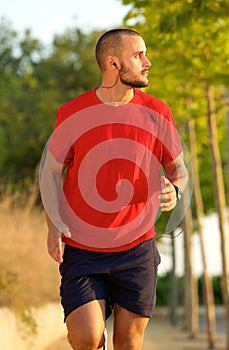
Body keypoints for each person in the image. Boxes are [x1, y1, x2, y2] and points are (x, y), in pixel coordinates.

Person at [40, 28, 188, 350]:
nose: (147, 62)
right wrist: (52, 223)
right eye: (138, 56)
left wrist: (174, 190)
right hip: (83, 248)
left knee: (130, 344)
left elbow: (179, 170)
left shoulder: (157, 112)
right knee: (86, 337)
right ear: (113, 64)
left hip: (136, 249)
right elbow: (50, 171)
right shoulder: (73, 113)